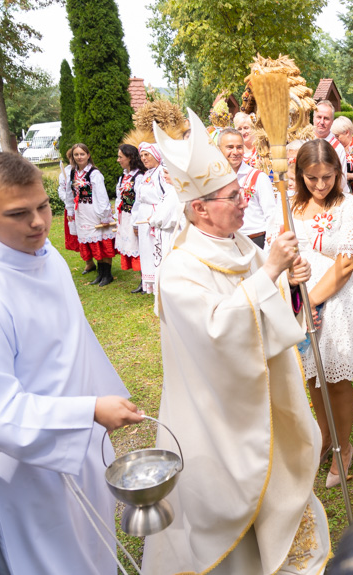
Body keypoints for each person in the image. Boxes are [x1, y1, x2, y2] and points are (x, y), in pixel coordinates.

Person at [141, 110, 330, 574]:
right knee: (231, 504)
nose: (245, 200)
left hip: (263, 397)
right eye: (232, 196)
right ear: (200, 207)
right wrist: (270, 273)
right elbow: (216, 334)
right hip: (217, 418)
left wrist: (288, 276)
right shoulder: (181, 269)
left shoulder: (242, 244)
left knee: (278, 486)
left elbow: (263, 303)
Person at [0, 151, 144, 575]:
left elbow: (73, 342)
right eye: (19, 213)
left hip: (82, 437)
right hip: (24, 467)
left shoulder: (46, 259)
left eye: (44, 205)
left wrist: (101, 408)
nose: (39, 223)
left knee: (95, 547)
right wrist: (88, 411)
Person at [268, 139, 353, 487]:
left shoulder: (350, 207)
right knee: (313, 374)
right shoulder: (288, 206)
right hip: (299, 298)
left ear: (337, 172)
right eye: (312, 178)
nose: (319, 185)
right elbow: (280, 251)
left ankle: (344, 448)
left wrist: (312, 302)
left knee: (336, 377)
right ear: (300, 175)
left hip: (336, 300)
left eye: (327, 177)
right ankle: (324, 437)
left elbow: (345, 265)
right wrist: (291, 284)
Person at [65, 143, 117, 286]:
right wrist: (70, 210)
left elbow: (102, 196)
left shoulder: (94, 174)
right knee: (94, 243)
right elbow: (70, 193)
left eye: (82, 154)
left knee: (102, 241)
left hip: (96, 212)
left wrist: (105, 216)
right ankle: (101, 274)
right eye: (76, 154)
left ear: (88, 155)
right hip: (82, 213)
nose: (79, 157)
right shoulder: (72, 173)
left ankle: (107, 274)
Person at [219, 128, 276, 248]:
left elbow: (272, 215)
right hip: (227, 243)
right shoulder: (215, 179)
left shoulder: (259, 177)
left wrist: (268, 248)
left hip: (255, 241)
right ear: (219, 149)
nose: (235, 152)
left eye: (239, 147)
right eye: (230, 147)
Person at [134, 142, 170, 295]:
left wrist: (157, 216)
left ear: (156, 155)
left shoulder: (162, 173)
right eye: (141, 155)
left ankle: (162, 284)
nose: (143, 158)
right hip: (144, 217)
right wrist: (135, 222)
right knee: (147, 251)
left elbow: (168, 196)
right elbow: (138, 199)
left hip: (156, 217)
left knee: (158, 250)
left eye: (146, 154)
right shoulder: (146, 175)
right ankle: (151, 284)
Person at [114, 144, 145, 289]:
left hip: (134, 216)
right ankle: (143, 279)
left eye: (120, 157)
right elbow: (119, 197)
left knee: (139, 246)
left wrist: (136, 222)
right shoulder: (123, 177)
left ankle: (145, 278)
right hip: (124, 216)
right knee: (131, 244)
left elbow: (139, 200)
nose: (118, 160)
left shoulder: (139, 177)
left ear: (130, 157)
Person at [313, 100, 350, 193]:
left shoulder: (337, 148)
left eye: (326, 118)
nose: (321, 122)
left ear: (332, 122)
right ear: (313, 118)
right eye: (319, 117)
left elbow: (342, 182)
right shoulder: (303, 141)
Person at [332, 115, 353, 201]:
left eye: (337, 136)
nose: (336, 139)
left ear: (347, 133)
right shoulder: (338, 149)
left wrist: (350, 176)